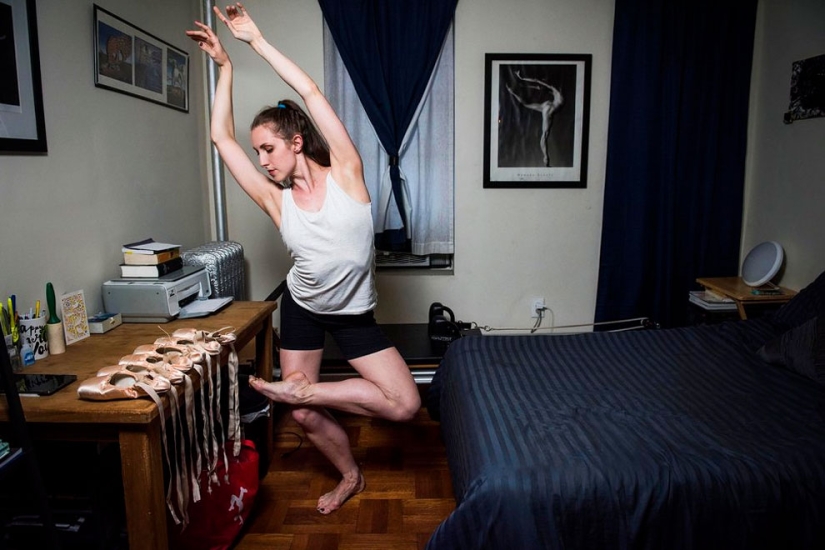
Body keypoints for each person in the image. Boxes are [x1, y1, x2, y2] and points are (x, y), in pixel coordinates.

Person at [186, 3, 421, 515]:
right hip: (303, 305)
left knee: (404, 405)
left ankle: (306, 391)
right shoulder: (277, 200)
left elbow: (312, 93)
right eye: (259, 153)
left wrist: (255, 42)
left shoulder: (347, 173)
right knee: (302, 417)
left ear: (296, 141)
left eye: (269, 148)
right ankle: (349, 475)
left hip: (353, 312)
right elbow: (220, 139)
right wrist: (225, 68)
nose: (263, 161)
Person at [505, 70, 563, 167]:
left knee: (525, 104)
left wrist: (522, 79)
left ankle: (512, 92)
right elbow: (538, 84)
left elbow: (538, 82)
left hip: (547, 106)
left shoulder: (556, 91)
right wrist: (522, 80)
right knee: (544, 135)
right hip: (548, 109)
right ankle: (546, 160)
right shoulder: (558, 93)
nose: (545, 80)